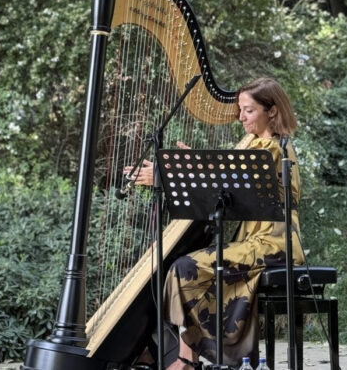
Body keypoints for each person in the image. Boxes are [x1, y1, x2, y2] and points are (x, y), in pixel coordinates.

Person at [124, 77, 304, 370]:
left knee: (185, 268)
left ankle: (185, 359)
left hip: (274, 245)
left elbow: (226, 184)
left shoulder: (271, 149)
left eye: (248, 110)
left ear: (271, 111)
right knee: (184, 267)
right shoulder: (256, 145)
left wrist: (168, 175)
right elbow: (223, 186)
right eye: (240, 110)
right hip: (252, 243)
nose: (241, 117)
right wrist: (188, 167)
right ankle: (168, 351)